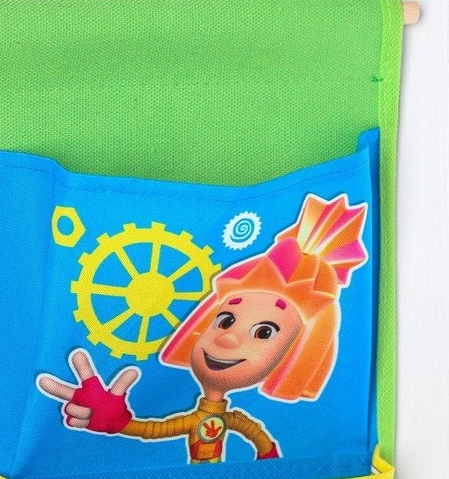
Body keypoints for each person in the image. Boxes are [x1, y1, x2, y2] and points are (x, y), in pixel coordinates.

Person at [38, 194, 367, 463]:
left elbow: (257, 437)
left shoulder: (233, 420)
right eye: (225, 320)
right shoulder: (216, 420)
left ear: (295, 355)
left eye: (264, 332)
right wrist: (116, 421)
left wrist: (269, 460)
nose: (228, 337)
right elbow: (154, 431)